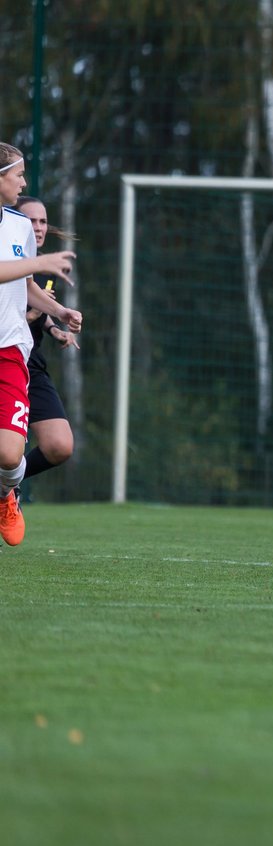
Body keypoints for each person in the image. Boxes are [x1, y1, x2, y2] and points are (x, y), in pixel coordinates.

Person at [0, 143, 83, 546]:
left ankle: (4, 493)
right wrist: (39, 263)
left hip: (10, 351)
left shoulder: (17, 227)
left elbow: (25, 284)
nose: (24, 183)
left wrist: (58, 312)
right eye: (18, 175)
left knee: (10, 456)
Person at [16, 195, 78, 489]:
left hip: (31, 364)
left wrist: (55, 329)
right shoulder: (9, 263)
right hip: (6, 360)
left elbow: (39, 311)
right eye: (31, 221)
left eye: (43, 221)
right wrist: (33, 314)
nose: (39, 228)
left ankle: (5, 485)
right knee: (8, 450)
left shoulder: (39, 265)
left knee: (59, 445)